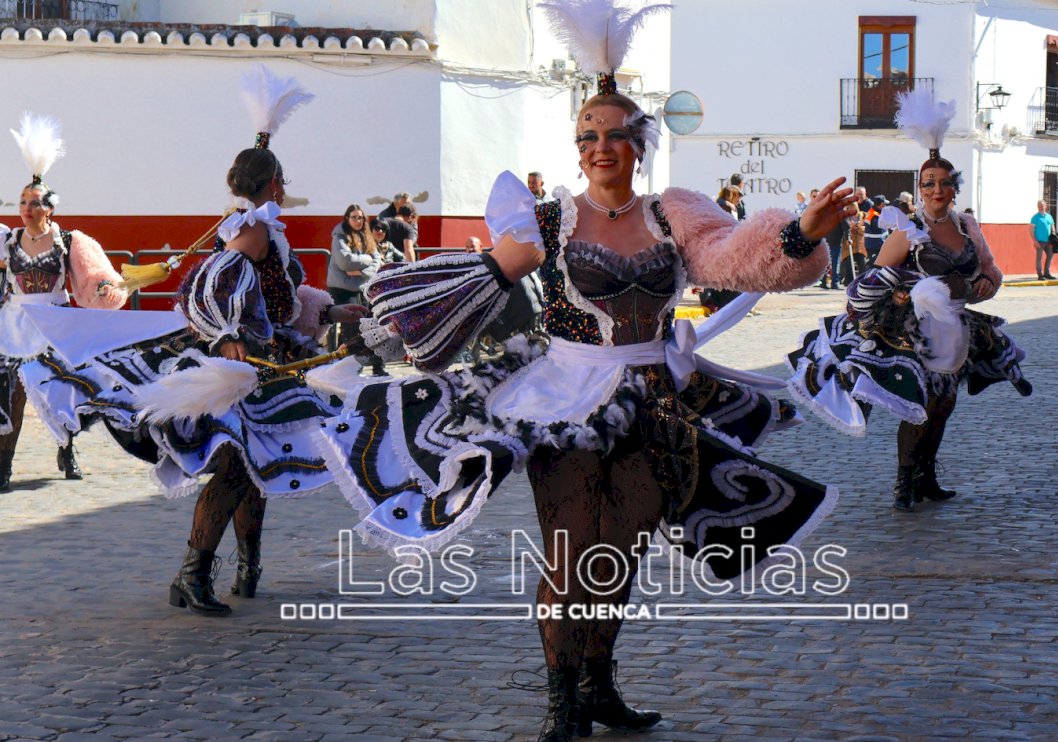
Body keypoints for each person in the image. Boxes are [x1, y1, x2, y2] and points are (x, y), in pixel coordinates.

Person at [317, 3, 856, 738]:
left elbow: (737, 258)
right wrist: (390, 325)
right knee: (573, 555)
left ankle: (599, 684)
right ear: (578, 150)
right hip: (563, 403)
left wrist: (799, 233)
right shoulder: (548, 220)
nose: (601, 146)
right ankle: (560, 699)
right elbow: (477, 282)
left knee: (621, 553)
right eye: (588, 136)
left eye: (614, 135)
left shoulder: (674, 214)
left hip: (654, 401)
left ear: (640, 144)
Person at [21, 65, 369, 614]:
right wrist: (230, 336)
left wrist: (332, 309)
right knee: (235, 468)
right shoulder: (253, 229)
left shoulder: (259, 226)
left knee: (253, 466)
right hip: (241, 366)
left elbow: (277, 299)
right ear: (273, 182)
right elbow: (212, 283)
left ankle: (246, 568)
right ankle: (195, 573)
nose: (287, 186)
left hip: (264, 361)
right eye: (284, 179)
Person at [788, 89, 1031, 513]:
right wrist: (908, 294)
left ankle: (928, 476)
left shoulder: (967, 224)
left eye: (944, 183)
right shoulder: (908, 228)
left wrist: (988, 284)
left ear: (955, 186)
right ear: (918, 188)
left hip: (956, 329)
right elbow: (873, 280)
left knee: (945, 405)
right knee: (918, 408)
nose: (937, 190)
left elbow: (990, 268)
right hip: (914, 333)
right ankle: (904, 483)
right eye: (928, 184)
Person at [0, 113, 128, 492]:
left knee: (60, 391)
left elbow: (93, 278)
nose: (27, 207)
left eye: (36, 202)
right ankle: (4, 464)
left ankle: (66, 449)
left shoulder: (68, 241)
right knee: (12, 394)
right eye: (23, 201)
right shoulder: (7, 241)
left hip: (55, 321)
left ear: (50, 208)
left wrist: (105, 288)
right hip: (14, 324)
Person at [327, 204, 381, 348]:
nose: (358, 220)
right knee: (350, 330)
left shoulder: (366, 236)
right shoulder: (339, 237)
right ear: (347, 218)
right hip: (343, 289)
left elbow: (377, 261)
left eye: (361, 218)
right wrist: (368, 260)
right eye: (354, 217)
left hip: (362, 287)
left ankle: (371, 365)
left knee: (368, 326)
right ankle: (346, 365)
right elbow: (345, 262)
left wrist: (362, 271)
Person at [838, 208, 867, 286]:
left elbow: (865, 230)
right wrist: (850, 227)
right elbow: (843, 230)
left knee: (862, 265)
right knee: (849, 265)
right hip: (849, 246)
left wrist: (858, 227)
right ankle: (849, 282)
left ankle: (862, 282)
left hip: (860, 246)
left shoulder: (863, 216)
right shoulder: (845, 218)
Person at [1030, 200, 1057, 280]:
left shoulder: (1049, 216)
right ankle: (1040, 274)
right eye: (1039, 205)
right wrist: (1035, 240)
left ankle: (1047, 273)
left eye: (1042, 205)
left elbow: (1052, 227)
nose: (1040, 207)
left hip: (1049, 241)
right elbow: (1031, 229)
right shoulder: (1035, 217)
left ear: (1045, 206)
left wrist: (1054, 238)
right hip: (1040, 241)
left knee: (1050, 256)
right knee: (1039, 258)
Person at [863, 194, 887, 260]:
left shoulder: (872, 211)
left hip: (873, 244)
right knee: (875, 264)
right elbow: (880, 227)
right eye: (884, 204)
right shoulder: (875, 215)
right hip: (875, 245)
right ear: (881, 204)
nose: (885, 206)